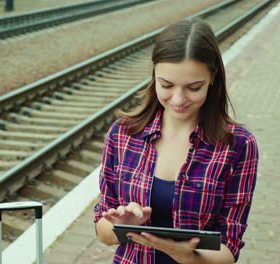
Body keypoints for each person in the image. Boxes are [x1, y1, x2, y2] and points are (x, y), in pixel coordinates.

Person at [93, 18, 258, 264]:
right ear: (154, 75)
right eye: (167, 85)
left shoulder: (238, 146)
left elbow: (229, 247)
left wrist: (187, 257)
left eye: (194, 87)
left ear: (212, 77)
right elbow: (102, 230)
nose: (179, 99)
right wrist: (122, 228)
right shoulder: (123, 135)